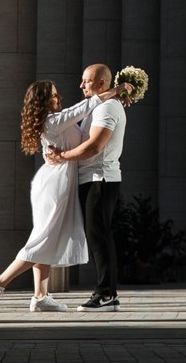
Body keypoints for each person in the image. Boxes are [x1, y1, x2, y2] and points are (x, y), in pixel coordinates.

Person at [0, 80, 88, 312]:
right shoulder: (52, 121)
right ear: (42, 102)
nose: (59, 98)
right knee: (42, 239)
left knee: (47, 238)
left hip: (58, 181)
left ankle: (40, 296)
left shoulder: (55, 120)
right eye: (54, 95)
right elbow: (83, 108)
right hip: (54, 185)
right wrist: (117, 91)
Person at [43, 63, 138, 310]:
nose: (81, 85)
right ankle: (106, 292)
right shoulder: (99, 105)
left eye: (86, 80)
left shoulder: (107, 107)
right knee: (98, 235)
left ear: (101, 84)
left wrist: (61, 157)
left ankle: (106, 294)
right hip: (94, 179)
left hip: (100, 178)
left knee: (99, 236)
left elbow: (94, 146)